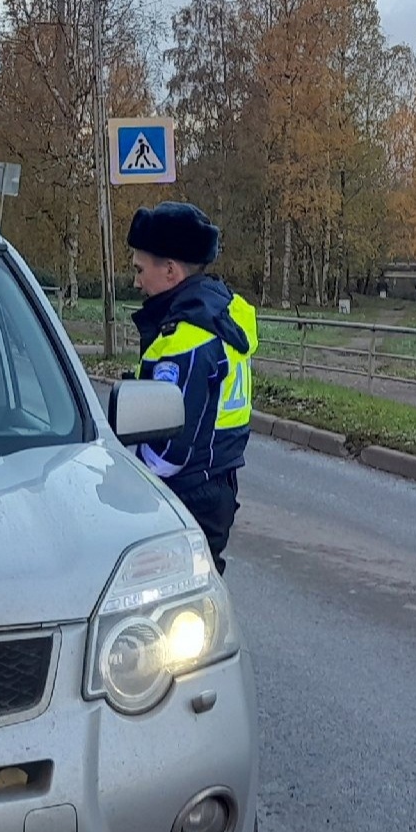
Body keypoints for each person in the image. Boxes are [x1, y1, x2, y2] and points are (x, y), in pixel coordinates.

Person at [125, 202, 256, 569]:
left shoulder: (188, 337)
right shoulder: (222, 314)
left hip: (186, 493)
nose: (136, 281)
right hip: (215, 484)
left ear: (170, 271)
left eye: (140, 269)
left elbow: (168, 451)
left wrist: (124, 473)